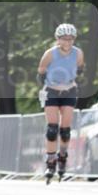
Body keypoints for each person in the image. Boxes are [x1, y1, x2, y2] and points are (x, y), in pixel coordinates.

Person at [37, 23, 84, 183]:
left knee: (65, 130)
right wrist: (49, 87)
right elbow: (41, 72)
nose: (68, 42)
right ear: (58, 39)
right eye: (64, 39)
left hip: (69, 90)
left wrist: (69, 81)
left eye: (71, 39)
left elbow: (80, 69)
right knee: (52, 129)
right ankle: (50, 161)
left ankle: (62, 156)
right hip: (51, 91)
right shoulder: (50, 54)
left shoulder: (78, 54)